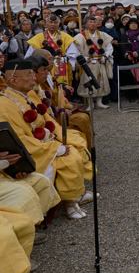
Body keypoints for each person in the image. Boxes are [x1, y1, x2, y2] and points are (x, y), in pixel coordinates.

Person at [0, 60, 92, 220]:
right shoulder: (3, 104)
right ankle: (69, 202)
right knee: (69, 158)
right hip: (30, 152)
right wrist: (54, 149)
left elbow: (45, 119)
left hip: (43, 142)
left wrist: (58, 140)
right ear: (13, 80)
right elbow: (18, 138)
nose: (34, 78)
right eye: (29, 75)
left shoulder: (27, 95)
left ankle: (75, 195)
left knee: (75, 146)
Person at [67, 14, 114, 109]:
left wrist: (105, 56)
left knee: (101, 81)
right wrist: (83, 58)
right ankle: (90, 103)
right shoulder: (80, 36)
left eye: (94, 22)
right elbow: (76, 49)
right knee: (87, 81)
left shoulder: (103, 35)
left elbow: (109, 48)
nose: (93, 24)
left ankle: (99, 102)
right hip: (87, 63)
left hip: (100, 61)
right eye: (91, 22)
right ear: (87, 24)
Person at [28, 14, 76, 86]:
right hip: (44, 67)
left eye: (55, 22)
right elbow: (31, 55)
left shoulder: (65, 37)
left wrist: (66, 60)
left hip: (61, 65)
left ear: (59, 24)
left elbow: (72, 53)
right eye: (50, 22)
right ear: (46, 24)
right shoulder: (38, 37)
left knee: (62, 88)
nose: (53, 24)